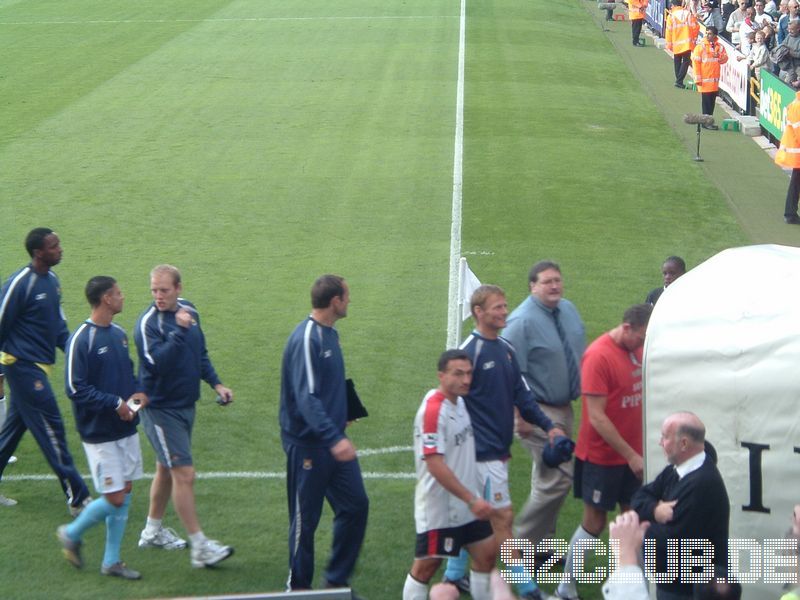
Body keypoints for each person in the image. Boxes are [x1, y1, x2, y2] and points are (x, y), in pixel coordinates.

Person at [443, 285, 566, 600]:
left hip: (496, 453)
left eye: (504, 306)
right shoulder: (469, 352)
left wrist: (549, 426)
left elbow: (523, 396)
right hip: (479, 455)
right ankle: (527, 589)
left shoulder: (506, 349)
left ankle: (454, 576)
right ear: (478, 312)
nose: (504, 312)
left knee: (477, 518)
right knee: (503, 518)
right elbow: (450, 404)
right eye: (497, 307)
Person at [134, 264, 234, 568]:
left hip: (185, 405)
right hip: (160, 410)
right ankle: (200, 546)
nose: (158, 296)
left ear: (179, 288)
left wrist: (216, 382)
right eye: (154, 290)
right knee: (184, 474)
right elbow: (157, 365)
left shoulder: (190, 312)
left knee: (165, 469)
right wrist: (179, 330)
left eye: (164, 290)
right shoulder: (147, 324)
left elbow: (199, 353)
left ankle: (152, 531)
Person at [555, 304, 652, 600]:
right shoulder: (599, 356)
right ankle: (565, 587)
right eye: (641, 338)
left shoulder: (637, 349)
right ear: (627, 328)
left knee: (635, 522)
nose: (643, 345)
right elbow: (596, 417)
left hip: (631, 456)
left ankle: (632, 586)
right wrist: (632, 455)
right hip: (602, 457)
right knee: (595, 523)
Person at [280, 274, 369, 593]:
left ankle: (335, 582)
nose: (350, 301)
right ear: (335, 301)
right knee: (306, 522)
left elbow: (326, 384)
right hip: (310, 447)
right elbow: (306, 396)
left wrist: (343, 413)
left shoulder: (330, 335)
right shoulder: (308, 338)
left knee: (356, 505)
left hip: (331, 441)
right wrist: (334, 438)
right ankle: (299, 588)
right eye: (347, 295)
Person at [57, 276, 148, 580]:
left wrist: (137, 394)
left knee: (127, 489)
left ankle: (111, 561)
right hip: (99, 433)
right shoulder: (82, 338)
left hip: (125, 427)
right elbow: (74, 388)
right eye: (118, 293)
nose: (123, 297)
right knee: (115, 498)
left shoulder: (119, 334)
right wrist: (114, 403)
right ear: (106, 299)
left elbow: (128, 376)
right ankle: (71, 533)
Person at [0, 228, 91, 512]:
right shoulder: (20, 284)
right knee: (53, 429)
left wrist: (78, 354)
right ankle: (77, 495)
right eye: (54, 246)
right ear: (38, 252)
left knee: (13, 430)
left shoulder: (52, 281)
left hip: (37, 367)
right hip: (22, 368)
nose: (60, 249)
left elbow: (58, 328)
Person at [503, 262, 585, 571]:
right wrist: (520, 416)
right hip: (537, 411)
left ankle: (543, 552)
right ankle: (518, 549)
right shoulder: (521, 321)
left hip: (565, 406)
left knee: (548, 480)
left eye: (557, 280)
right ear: (532, 286)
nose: (554, 286)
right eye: (547, 281)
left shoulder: (568, 309)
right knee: (560, 476)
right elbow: (510, 373)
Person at [402, 349, 495, 600]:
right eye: (458, 374)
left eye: (468, 374)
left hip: (466, 504)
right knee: (426, 566)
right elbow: (435, 464)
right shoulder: (433, 412)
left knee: (487, 554)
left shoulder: (460, 402)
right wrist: (472, 499)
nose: (466, 380)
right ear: (441, 376)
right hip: (441, 508)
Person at [631, 412, 730, 599]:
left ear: (684, 444)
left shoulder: (701, 485)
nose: (661, 443)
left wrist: (638, 530)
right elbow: (640, 497)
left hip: (687, 590)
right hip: (674, 584)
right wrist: (655, 510)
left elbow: (671, 540)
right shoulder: (676, 470)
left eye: (665, 437)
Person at [691, 26, 729, 129]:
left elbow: (725, 59)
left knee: (711, 103)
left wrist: (719, 56)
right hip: (705, 80)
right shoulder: (701, 47)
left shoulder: (719, 47)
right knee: (707, 103)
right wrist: (698, 79)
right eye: (706, 33)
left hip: (714, 81)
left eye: (710, 33)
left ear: (715, 35)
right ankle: (706, 123)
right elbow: (696, 63)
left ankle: (708, 122)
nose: (707, 35)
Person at [775, 88, 800, 224]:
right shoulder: (798, 106)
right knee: (796, 182)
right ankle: (790, 213)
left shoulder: (796, 103)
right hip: (797, 151)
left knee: (796, 183)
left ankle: (790, 213)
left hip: (796, 151)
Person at [666, 0, 701, 88]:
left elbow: (668, 31)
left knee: (677, 61)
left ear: (673, 5)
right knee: (685, 61)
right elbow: (695, 27)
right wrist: (694, 39)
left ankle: (678, 80)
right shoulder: (688, 14)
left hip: (676, 43)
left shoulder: (671, 16)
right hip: (687, 43)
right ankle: (679, 81)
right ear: (681, 4)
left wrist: (669, 44)